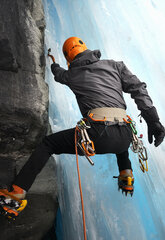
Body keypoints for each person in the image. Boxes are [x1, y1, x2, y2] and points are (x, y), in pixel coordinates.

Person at [1, 37, 165, 200]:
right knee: (119, 137)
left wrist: (54, 65)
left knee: (48, 144)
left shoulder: (70, 75)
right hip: (126, 137)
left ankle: (17, 192)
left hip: (97, 136)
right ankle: (126, 174)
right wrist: (153, 121)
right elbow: (138, 89)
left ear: (68, 57)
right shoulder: (116, 66)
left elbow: (58, 74)